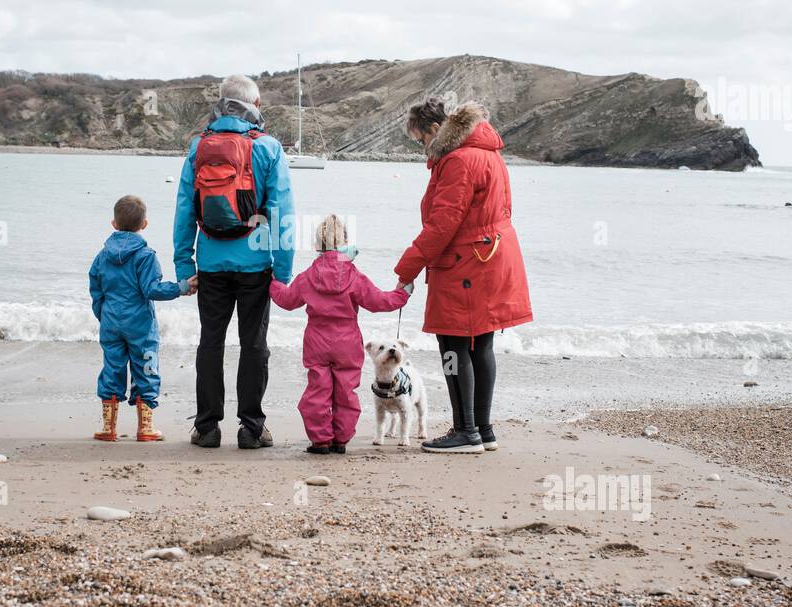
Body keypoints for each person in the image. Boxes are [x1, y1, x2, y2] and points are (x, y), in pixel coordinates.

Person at [394, 98, 532, 454]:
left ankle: (465, 431)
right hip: (493, 255)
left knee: (453, 345)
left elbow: (441, 226)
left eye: (420, 138)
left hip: (466, 262)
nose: (422, 146)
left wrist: (407, 270)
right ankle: (483, 429)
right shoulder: (490, 154)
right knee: (482, 343)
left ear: (437, 130)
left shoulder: (458, 161)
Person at [173, 74, 296, 449]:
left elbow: (183, 211)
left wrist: (184, 267)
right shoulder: (269, 148)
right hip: (256, 263)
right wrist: (283, 271)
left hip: (210, 262)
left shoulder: (198, 147)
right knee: (253, 344)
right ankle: (252, 428)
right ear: (255, 105)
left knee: (210, 342)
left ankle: (207, 427)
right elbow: (282, 212)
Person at [269, 215, 410, 454]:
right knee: (346, 390)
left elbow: (287, 300)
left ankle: (320, 440)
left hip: (317, 340)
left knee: (318, 390)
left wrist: (272, 282)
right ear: (345, 242)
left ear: (317, 245)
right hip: (347, 341)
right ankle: (341, 439)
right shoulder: (354, 275)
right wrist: (402, 294)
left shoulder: (308, 276)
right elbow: (378, 302)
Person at [88, 195, 195, 442]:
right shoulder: (145, 255)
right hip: (140, 323)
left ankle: (108, 427)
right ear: (144, 224)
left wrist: (102, 314)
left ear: (113, 223)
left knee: (112, 368)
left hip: (111, 322)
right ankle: (145, 427)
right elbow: (152, 289)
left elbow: (95, 288)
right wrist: (180, 287)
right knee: (146, 366)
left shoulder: (102, 256)